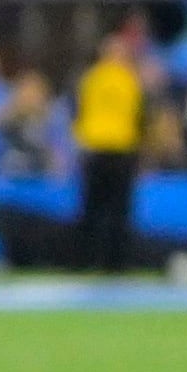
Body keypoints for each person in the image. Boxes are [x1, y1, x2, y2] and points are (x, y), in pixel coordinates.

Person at [71, 22, 150, 272]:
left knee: (103, 211)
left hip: (113, 148)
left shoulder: (102, 78)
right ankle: (104, 262)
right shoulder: (122, 78)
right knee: (105, 210)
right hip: (106, 148)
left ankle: (98, 262)